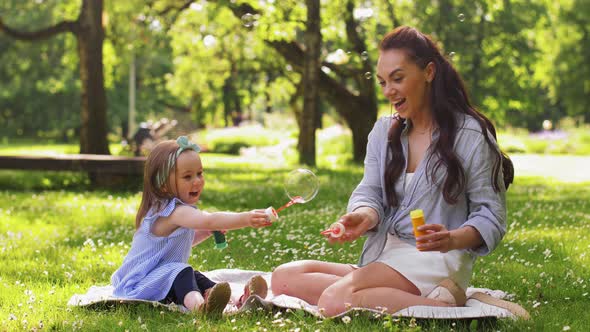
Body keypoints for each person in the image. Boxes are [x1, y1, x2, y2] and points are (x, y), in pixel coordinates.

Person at [271, 26, 516, 317]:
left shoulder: (471, 134)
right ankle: (419, 299)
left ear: (429, 72)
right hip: (387, 255)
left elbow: (491, 214)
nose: (389, 91)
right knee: (283, 277)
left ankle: (451, 306)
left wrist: (452, 238)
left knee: (335, 301)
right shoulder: (383, 133)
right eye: (383, 82)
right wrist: (363, 216)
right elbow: (370, 191)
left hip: (437, 259)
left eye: (398, 79)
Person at [111, 136, 271, 315]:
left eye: (200, 173)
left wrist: (205, 233)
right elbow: (210, 219)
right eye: (187, 176)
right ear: (164, 185)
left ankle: (238, 301)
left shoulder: (178, 211)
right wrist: (246, 218)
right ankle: (201, 308)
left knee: (196, 278)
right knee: (183, 272)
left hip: (161, 278)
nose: (197, 181)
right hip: (139, 284)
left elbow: (176, 244)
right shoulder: (172, 212)